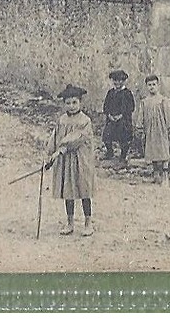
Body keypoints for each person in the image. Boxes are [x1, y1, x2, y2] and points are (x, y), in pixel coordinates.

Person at [46, 84, 96, 236]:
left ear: (80, 102)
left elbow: (77, 139)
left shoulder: (85, 121)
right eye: (68, 103)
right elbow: (55, 138)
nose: (72, 106)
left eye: (75, 102)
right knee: (69, 191)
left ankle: (88, 223)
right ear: (64, 104)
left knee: (84, 190)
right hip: (65, 161)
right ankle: (70, 223)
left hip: (81, 160)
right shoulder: (62, 120)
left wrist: (61, 150)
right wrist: (50, 154)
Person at [137, 73, 170, 184]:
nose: (152, 87)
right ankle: (156, 175)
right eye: (149, 85)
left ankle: (165, 175)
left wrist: (168, 127)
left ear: (158, 85)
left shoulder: (162, 100)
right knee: (152, 150)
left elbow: (168, 115)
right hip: (150, 130)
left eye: (154, 84)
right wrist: (140, 127)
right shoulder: (145, 101)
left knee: (163, 150)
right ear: (146, 86)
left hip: (161, 129)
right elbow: (141, 115)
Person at [101, 70, 135, 163]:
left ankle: (123, 156)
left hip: (123, 120)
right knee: (107, 137)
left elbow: (131, 107)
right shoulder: (110, 93)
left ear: (124, 81)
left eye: (120, 80)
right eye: (115, 80)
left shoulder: (127, 93)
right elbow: (105, 106)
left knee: (124, 138)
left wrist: (121, 115)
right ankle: (109, 152)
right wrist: (109, 115)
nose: (117, 83)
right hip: (111, 119)